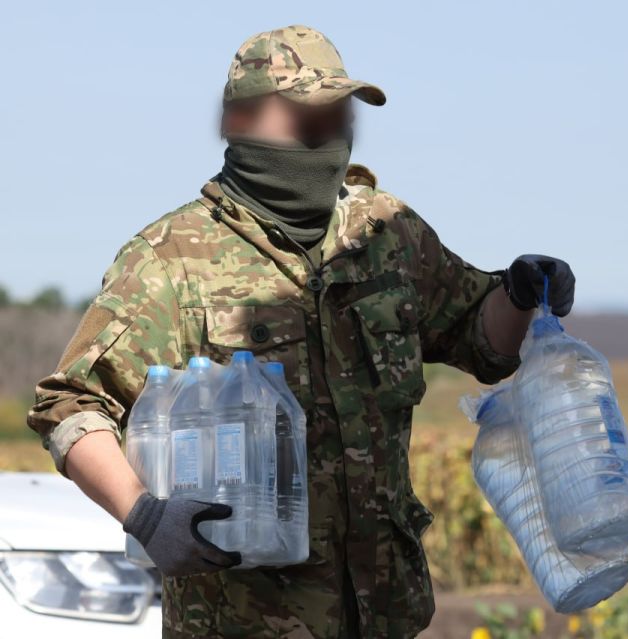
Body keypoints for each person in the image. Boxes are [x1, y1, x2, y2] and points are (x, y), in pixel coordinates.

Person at [27, 24, 575, 639]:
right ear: (242, 120)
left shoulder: (387, 233)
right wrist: (145, 515)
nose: (330, 136)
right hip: (245, 621)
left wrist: (520, 294)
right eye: (309, 119)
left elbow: (480, 339)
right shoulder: (170, 260)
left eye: (339, 116)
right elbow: (71, 405)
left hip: (385, 616)